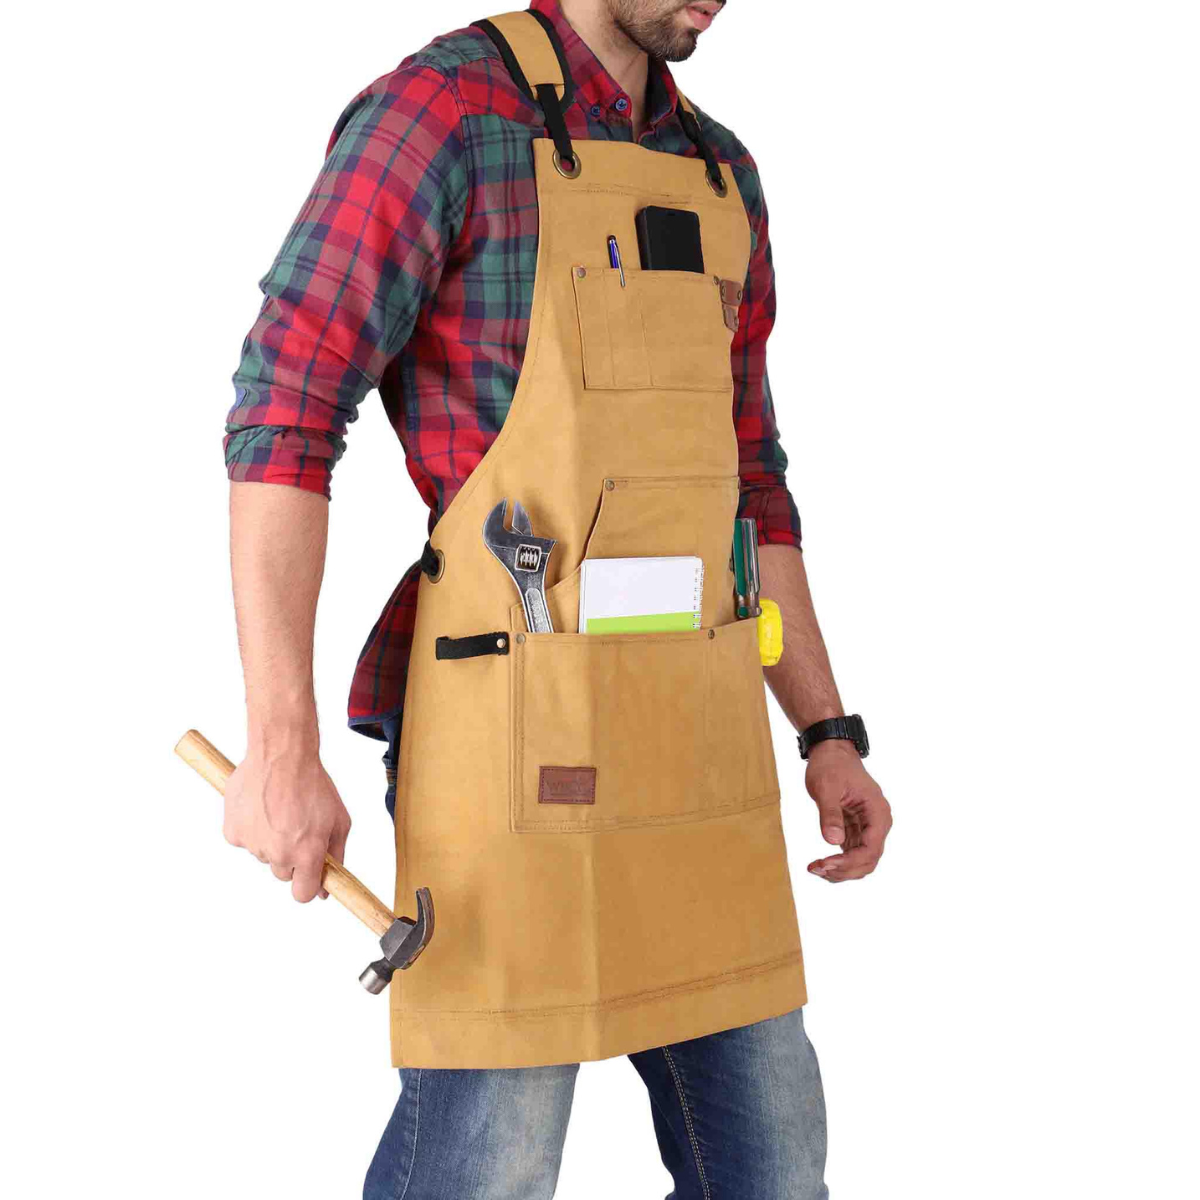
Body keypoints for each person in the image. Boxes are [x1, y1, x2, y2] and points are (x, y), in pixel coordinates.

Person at [221, 1, 892, 1196]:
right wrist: (282, 747)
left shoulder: (721, 172)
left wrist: (826, 731)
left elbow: (751, 482)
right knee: (495, 1164)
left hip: (699, 756)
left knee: (776, 1168)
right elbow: (285, 414)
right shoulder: (444, 116)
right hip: (514, 745)